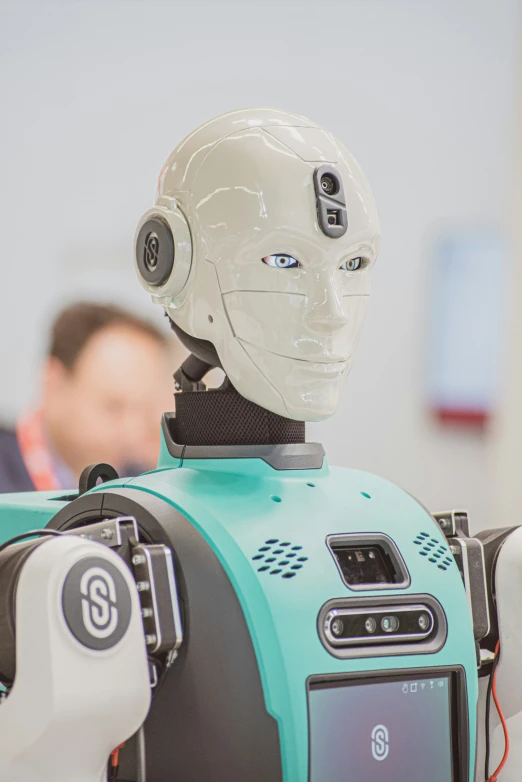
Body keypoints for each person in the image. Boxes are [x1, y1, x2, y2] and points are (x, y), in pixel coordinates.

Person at [0, 302, 181, 493]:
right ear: (53, 383)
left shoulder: (140, 483)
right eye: (114, 407)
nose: (132, 432)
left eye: (143, 410)